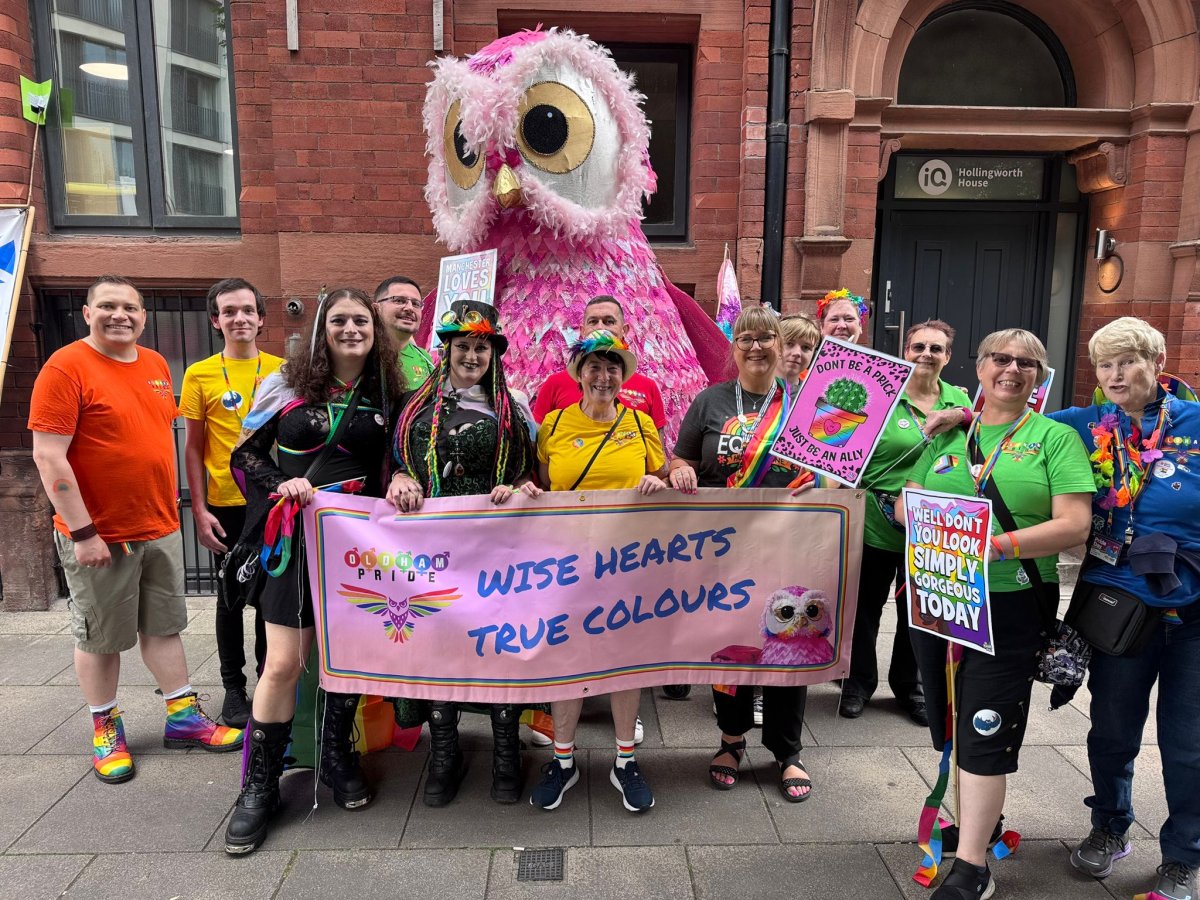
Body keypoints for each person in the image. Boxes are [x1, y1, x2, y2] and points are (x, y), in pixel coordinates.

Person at [903, 328, 1094, 899]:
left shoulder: (1053, 439)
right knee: (949, 721)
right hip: (936, 599)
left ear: (1039, 376)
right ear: (980, 368)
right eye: (999, 359)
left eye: (1026, 363)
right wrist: (916, 514)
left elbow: (1074, 525)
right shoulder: (950, 435)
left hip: (1008, 603)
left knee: (984, 728)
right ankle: (974, 825)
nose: (1011, 369)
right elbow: (911, 495)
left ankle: (971, 868)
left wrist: (995, 544)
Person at [28, 275, 241, 786]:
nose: (119, 315)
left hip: (157, 524)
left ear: (143, 316)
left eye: (129, 307)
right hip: (99, 534)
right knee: (101, 637)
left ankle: (183, 717)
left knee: (163, 626)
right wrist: (82, 533)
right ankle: (105, 726)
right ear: (86, 313)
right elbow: (48, 454)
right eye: (107, 306)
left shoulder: (154, 365)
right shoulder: (65, 367)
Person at [223, 287, 403, 855]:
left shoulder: (391, 395)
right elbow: (244, 456)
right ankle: (260, 785)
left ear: (375, 332)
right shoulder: (288, 389)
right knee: (282, 663)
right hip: (298, 540)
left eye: (362, 321)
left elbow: (400, 456)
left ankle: (336, 755)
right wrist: (281, 483)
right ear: (324, 328)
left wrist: (401, 477)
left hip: (359, 547)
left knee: (349, 657)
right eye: (341, 320)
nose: (352, 329)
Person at [1049, 317, 1199, 900]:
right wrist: (960, 416)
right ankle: (1109, 826)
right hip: (1119, 605)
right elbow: (1011, 427)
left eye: (1128, 361)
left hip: (1193, 610)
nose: (1115, 374)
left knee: (1188, 743)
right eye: (1105, 364)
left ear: (1156, 362)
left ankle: (1184, 856)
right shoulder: (1083, 426)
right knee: (1112, 730)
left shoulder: (1193, 422)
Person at [668, 306, 822, 803]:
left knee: (791, 640)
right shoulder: (709, 401)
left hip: (790, 545)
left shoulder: (807, 403)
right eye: (746, 338)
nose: (756, 346)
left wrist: (820, 482)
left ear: (782, 343)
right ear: (734, 346)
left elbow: (838, 466)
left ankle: (786, 748)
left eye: (766, 338)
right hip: (722, 550)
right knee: (729, 644)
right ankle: (730, 740)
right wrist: (679, 471)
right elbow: (683, 457)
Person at [387, 299, 537, 807]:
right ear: (446, 349)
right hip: (432, 552)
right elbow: (397, 462)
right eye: (463, 346)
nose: (472, 355)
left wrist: (517, 489)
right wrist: (402, 476)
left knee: (499, 650)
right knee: (439, 649)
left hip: (495, 552)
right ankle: (445, 752)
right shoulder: (414, 406)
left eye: (481, 347)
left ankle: (504, 753)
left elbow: (526, 474)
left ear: (493, 354)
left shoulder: (512, 410)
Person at [518, 330, 667, 814]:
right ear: (578, 372)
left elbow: (664, 474)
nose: (604, 377)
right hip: (565, 565)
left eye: (613, 368)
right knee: (566, 658)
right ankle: (563, 761)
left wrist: (662, 477)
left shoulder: (641, 423)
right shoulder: (554, 424)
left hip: (627, 563)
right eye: (594, 367)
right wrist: (528, 493)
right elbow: (538, 481)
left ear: (624, 376)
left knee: (625, 658)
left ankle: (625, 760)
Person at [842, 320, 971, 725]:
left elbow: (990, 428)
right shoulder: (879, 394)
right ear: (905, 351)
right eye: (918, 346)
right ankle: (858, 684)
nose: (926, 354)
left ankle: (911, 688)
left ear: (948, 357)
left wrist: (965, 414)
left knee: (922, 610)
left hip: (934, 526)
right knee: (864, 608)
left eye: (936, 348)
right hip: (877, 519)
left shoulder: (959, 400)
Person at [180, 278, 284, 727]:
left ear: (261, 318)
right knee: (228, 600)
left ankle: (267, 681)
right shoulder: (200, 374)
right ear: (215, 320)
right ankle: (232, 689)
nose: (239, 318)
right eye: (229, 311)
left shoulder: (284, 370)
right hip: (224, 504)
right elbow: (193, 448)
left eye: (247, 310)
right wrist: (199, 511)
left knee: (268, 598)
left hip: (271, 504)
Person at [533, 294, 667, 439]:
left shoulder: (648, 388)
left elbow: (656, 453)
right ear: (583, 331)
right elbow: (539, 446)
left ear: (624, 330)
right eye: (593, 321)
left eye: (609, 321)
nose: (600, 327)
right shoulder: (554, 385)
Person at [374, 275, 434, 386]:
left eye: (416, 304)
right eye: (399, 301)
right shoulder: (363, 353)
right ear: (377, 309)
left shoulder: (424, 357)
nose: (410, 308)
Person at [777, 313, 819, 397]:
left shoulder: (812, 397)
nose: (797, 353)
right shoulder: (751, 388)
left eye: (806, 347)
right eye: (789, 343)